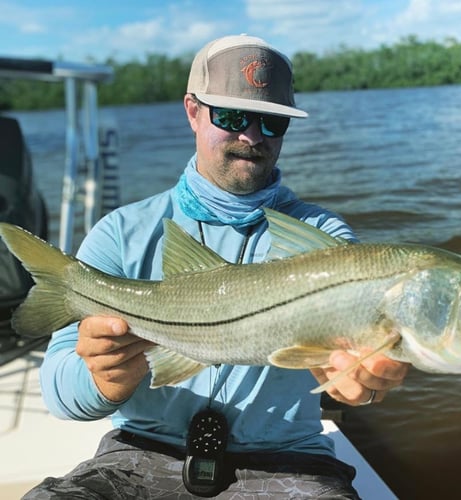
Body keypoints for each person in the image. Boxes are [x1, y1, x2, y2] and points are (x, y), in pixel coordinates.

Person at [24, 34, 409, 499]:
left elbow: (350, 369)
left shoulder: (323, 240)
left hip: (288, 460)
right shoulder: (121, 233)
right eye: (230, 116)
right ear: (192, 110)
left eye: (271, 122)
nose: (251, 136)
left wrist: (360, 385)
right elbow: (59, 393)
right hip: (137, 455)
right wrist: (102, 381)